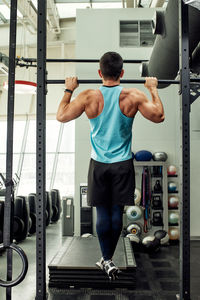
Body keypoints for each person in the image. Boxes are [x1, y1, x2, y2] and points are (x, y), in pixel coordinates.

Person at [56, 51, 165, 280]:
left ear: (99, 72)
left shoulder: (88, 96)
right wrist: (152, 88)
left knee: (102, 213)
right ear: (122, 73)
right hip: (122, 164)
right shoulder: (133, 95)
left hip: (99, 164)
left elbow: (61, 116)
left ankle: (105, 259)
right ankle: (108, 258)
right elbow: (159, 116)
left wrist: (69, 89)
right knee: (117, 214)